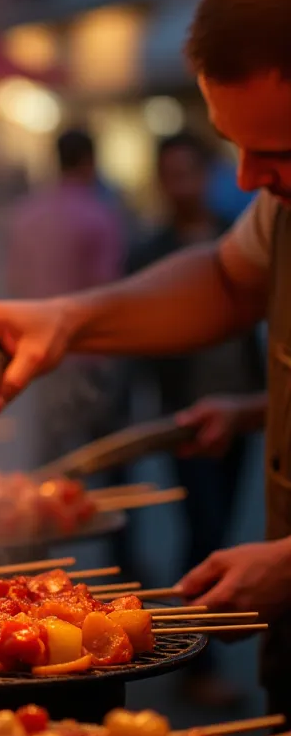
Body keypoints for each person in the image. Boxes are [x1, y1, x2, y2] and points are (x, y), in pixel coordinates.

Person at [0, 0, 291, 718]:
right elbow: (228, 283)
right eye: (232, 143)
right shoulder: (280, 206)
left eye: (279, 153)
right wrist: (64, 319)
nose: (249, 176)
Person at [127, 132, 265, 704]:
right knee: (202, 529)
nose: (180, 184)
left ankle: (202, 652)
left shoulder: (237, 236)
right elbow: (137, 327)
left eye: (189, 172)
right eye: (170, 174)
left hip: (242, 405)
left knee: (226, 523)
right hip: (185, 414)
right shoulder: (152, 247)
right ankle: (196, 662)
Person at [5, 128, 127, 464]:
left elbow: (14, 280)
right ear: (90, 161)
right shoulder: (99, 215)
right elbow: (108, 288)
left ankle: (44, 513)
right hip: (90, 350)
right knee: (106, 456)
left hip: (38, 352)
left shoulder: (26, 213)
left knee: (49, 454)